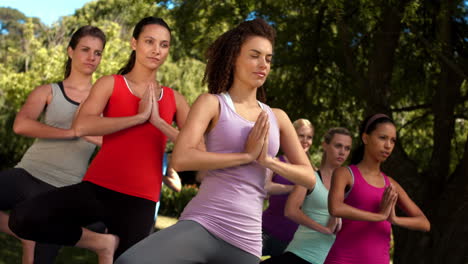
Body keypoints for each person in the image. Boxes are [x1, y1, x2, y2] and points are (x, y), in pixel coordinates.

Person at [115, 18, 316, 264]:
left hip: (247, 240)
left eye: (268, 58)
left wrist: (268, 161)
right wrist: (245, 156)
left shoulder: (278, 117)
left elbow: (308, 177)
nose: (263, 64)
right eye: (254, 55)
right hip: (204, 223)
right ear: (234, 58)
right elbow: (182, 158)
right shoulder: (212, 104)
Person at [9, 16, 190, 264]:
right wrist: (137, 117)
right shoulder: (110, 84)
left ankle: (107, 246)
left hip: (142, 202)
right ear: (134, 43)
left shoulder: (175, 99)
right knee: (23, 218)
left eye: (164, 44)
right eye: (149, 41)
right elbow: (82, 125)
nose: (157, 50)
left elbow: (197, 148)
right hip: (97, 189)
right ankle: (100, 242)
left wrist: (159, 123)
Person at [0, 25, 106, 264]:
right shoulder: (48, 91)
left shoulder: (105, 101)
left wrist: (88, 133)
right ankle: (23, 230)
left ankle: (28, 228)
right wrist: (71, 132)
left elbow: (111, 143)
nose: (91, 57)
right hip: (27, 174)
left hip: (63, 191)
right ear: (70, 51)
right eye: (85, 50)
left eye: (98, 53)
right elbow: (21, 125)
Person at [325, 114, 430, 264]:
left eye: (392, 140)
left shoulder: (391, 184)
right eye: (382, 138)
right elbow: (335, 208)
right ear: (365, 138)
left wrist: (394, 219)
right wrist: (378, 216)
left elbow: (424, 223)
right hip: (342, 259)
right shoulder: (345, 174)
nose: (388, 145)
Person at [262, 127, 352, 264]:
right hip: (301, 253)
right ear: (325, 145)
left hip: (330, 258)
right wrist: (324, 229)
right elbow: (291, 211)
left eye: (347, 148)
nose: (342, 152)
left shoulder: (350, 185)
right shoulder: (311, 177)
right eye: (338, 146)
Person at [261, 118, 314, 257]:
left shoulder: (313, 171)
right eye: (301, 135)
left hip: (292, 239)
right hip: (266, 230)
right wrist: (294, 189)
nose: (305, 140)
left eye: (309, 137)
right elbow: (266, 187)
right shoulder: (276, 162)